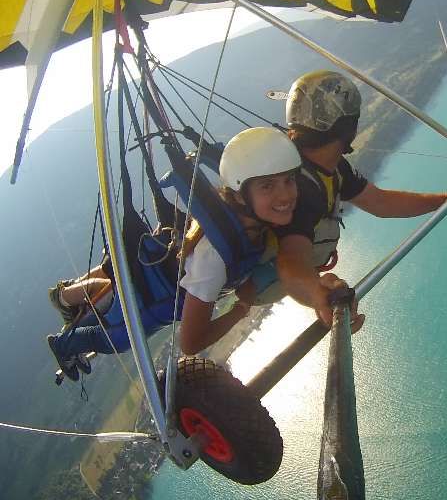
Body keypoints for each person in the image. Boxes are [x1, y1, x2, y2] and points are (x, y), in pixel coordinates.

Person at [46, 127, 355, 381]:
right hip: (150, 296)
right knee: (115, 337)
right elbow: (190, 343)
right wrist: (239, 310)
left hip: (158, 264)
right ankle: (64, 339)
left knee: (110, 287)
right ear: (239, 194)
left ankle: (67, 297)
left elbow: (288, 262)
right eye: (268, 186)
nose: (286, 195)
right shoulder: (214, 260)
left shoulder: (249, 222)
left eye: (289, 181)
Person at [263, 70, 447, 328]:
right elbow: (291, 260)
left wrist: (445, 198)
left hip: (291, 273)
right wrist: (320, 297)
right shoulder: (299, 186)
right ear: (348, 128)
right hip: (267, 279)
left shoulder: (330, 166)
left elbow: (380, 202)